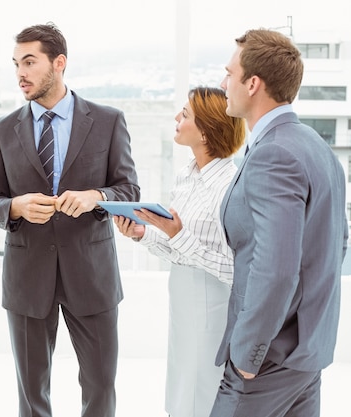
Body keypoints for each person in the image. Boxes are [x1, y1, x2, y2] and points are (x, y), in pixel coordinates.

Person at [0, 23, 140, 417]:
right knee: (32, 395)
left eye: (30, 62)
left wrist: (95, 197)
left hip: (92, 274)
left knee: (100, 386)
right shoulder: (2, 130)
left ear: (59, 63)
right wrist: (15, 207)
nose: (21, 73)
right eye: (16, 63)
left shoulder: (107, 121)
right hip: (27, 277)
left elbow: (129, 191)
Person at [209, 29, 348, 417]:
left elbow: (276, 269)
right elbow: (336, 245)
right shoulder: (317, 147)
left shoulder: (274, 155)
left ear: (252, 84)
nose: (223, 84)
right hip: (306, 356)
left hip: (266, 362)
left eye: (229, 74)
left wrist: (248, 354)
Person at [113, 87, 245, 417]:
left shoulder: (232, 184)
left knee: (205, 392)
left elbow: (235, 267)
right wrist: (143, 234)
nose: (176, 118)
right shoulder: (186, 176)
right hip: (183, 303)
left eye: (185, 114)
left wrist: (177, 234)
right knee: (180, 391)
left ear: (206, 130)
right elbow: (180, 251)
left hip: (213, 307)